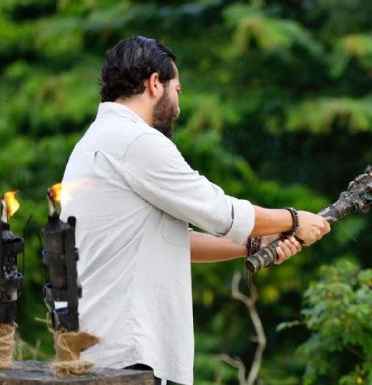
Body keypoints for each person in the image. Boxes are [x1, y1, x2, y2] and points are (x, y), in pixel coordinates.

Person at [60, 36, 330, 385]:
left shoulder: (93, 142)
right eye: (178, 90)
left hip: (102, 349)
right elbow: (219, 212)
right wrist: (294, 219)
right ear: (155, 83)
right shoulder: (135, 141)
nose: (179, 106)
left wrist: (253, 245)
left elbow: (172, 241)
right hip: (125, 354)